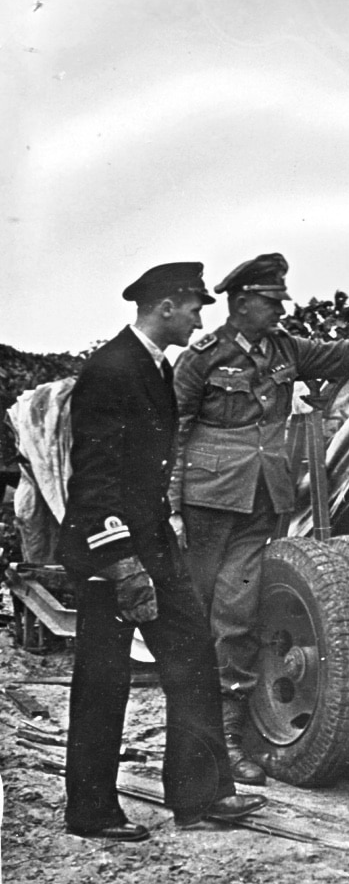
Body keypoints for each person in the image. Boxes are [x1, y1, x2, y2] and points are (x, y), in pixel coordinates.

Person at [59, 262, 267, 839]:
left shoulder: (152, 368)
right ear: (167, 307)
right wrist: (121, 561)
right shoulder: (111, 370)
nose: (202, 318)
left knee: (193, 656)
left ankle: (200, 796)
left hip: (149, 540)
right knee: (104, 677)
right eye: (195, 307)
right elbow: (94, 478)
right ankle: (92, 811)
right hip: (112, 548)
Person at [168, 253, 349, 784]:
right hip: (207, 502)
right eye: (269, 302)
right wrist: (169, 509)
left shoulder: (286, 349)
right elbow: (174, 433)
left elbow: (343, 353)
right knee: (193, 619)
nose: (279, 311)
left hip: (262, 499)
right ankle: (193, 743)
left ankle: (230, 740)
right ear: (240, 304)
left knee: (235, 618)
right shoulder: (201, 358)